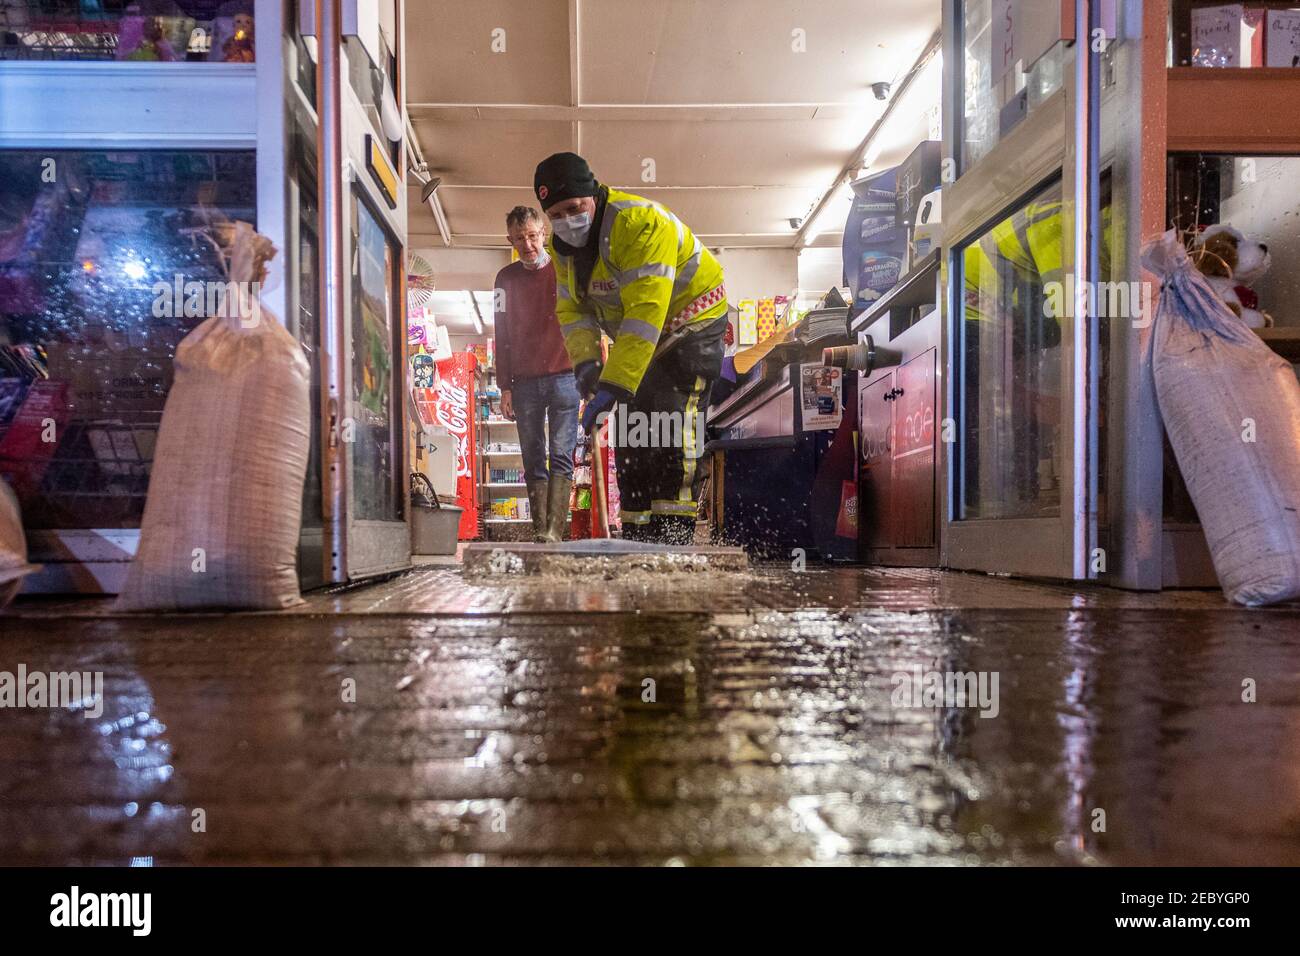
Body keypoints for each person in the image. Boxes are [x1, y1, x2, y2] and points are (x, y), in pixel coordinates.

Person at [533, 152, 727, 544]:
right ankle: (639, 541)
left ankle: (672, 540)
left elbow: (646, 312)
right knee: (635, 438)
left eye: (573, 208)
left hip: (691, 324)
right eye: (555, 215)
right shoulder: (563, 251)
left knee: (670, 428)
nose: (565, 221)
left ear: (593, 194)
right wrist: (587, 366)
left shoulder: (639, 224)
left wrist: (614, 387)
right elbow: (572, 310)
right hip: (641, 341)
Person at [493, 205, 579, 542]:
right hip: (524, 383)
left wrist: (589, 374)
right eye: (518, 239)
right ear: (509, 240)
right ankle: (541, 531)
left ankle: (555, 532)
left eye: (531, 236)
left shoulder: (564, 268)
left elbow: (584, 318)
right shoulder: (504, 280)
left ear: (543, 232)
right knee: (532, 457)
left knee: (561, 454)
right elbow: (501, 331)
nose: (527, 245)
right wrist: (504, 386)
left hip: (566, 377)